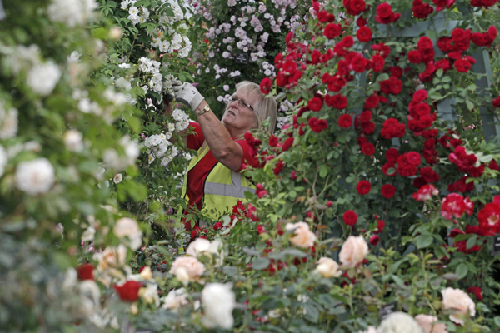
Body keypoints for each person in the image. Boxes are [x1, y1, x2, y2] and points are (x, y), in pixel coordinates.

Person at [165, 81, 277, 229]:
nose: (234, 104)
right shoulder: (209, 138)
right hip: (191, 243)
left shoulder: (258, 149)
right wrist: (164, 98)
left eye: (243, 103)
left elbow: (226, 151)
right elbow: (169, 130)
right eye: (233, 99)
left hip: (227, 246)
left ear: (258, 119)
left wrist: (199, 104)